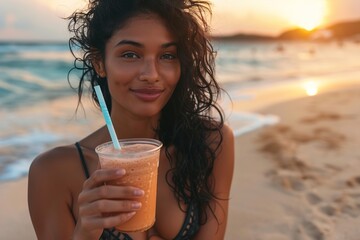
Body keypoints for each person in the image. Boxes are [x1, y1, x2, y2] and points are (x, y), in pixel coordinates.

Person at [28, 0, 234, 239]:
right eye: (130, 54)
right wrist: (84, 233)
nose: (151, 74)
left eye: (167, 55)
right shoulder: (53, 173)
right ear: (99, 63)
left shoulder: (211, 143)